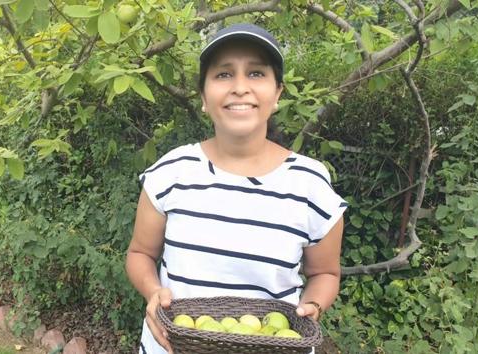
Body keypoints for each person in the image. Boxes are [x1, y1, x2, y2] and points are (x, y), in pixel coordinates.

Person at [125, 23, 347, 354]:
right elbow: (140, 254)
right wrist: (153, 291)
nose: (240, 87)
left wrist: (312, 306)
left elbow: (325, 272)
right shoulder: (171, 172)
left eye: (256, 74)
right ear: (203, 97)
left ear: (277, 95)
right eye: (223, 75)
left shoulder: (309, 183)